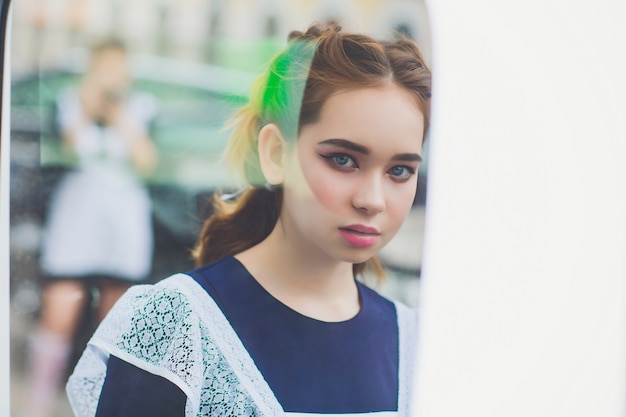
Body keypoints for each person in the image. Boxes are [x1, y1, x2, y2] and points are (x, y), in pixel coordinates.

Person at [66, 21, 431, 417]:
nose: (372, 200)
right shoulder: (177, 324)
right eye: (342, 160)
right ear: (275, 154)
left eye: (399, 171)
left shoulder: (417, 342)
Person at [26, 39, 158, 417]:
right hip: (78, 215)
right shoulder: (69, 101)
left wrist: (120, 117)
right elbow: (66, 147)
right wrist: (89, 103)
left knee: (115, 316)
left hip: (123, 218)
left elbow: (147, 161)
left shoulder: (143, 107)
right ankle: (38, 401)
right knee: (60, 305)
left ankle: (101, 402)